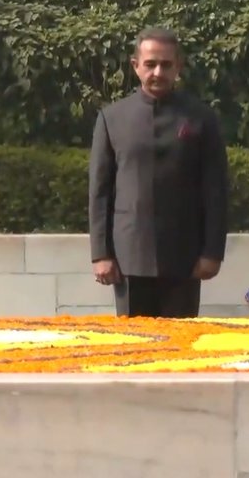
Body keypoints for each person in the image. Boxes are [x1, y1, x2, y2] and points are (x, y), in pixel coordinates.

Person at [88, 27, 229, 318]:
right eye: (150, 64)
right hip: (128, 258)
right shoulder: (112, 118)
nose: (157, 72)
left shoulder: (201, 118)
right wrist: (101, 254)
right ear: (135, 65)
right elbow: (100, 191)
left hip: (185, 258)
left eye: (166, 64)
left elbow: (216, 191)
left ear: (178, 66)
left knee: (180, 353)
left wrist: (212, 252)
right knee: (133, 350)